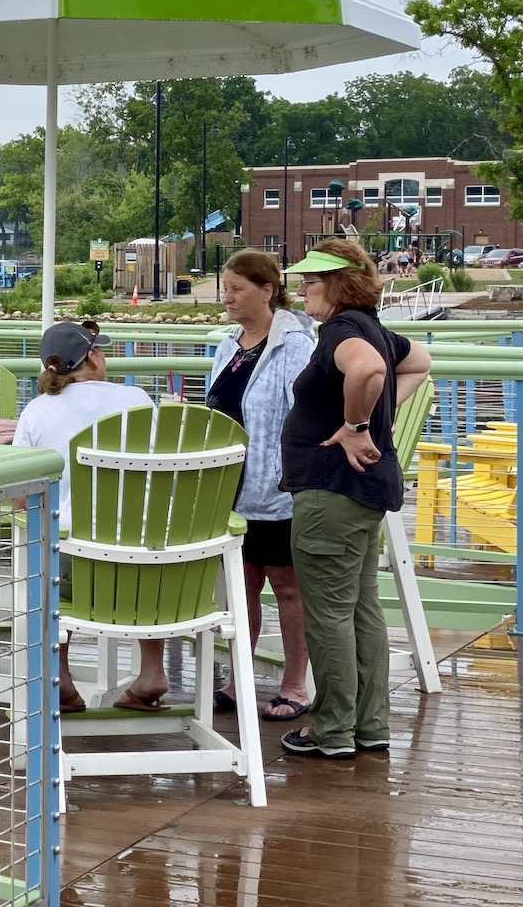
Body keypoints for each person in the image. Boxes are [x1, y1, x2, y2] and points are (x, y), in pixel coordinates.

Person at [277, 239, 431, 759]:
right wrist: (379, 414)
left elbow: (367, 371)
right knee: (362, 608)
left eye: (309, 282)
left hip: (331, 491)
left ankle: (332, 730)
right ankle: (370, 726)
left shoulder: (343, 329)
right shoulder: (375, 328)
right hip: (365, 491)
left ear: (338, 286)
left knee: (328, 614)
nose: (300, 291)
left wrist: (356, 424)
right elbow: (419, 363)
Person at [12, 321, 158, 712]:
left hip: (75, 567)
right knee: (145, 530)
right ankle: (152, 670)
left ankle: (60, 673)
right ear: (93, 357)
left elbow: (22, 498)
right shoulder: (139, 400)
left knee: (53, 548)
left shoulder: (37, 411)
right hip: (152, 571)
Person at [205, 249, 316, 721]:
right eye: (224, 288)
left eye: (237, 289)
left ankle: (296, 683)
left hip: (277, 484)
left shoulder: (296, 346)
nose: (226, 297)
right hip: (229, 485)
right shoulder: (230, 345)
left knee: (287, 586)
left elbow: (301, 413)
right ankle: (239, 679)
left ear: (267, 291)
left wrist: (282, 473)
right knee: (242, 584)